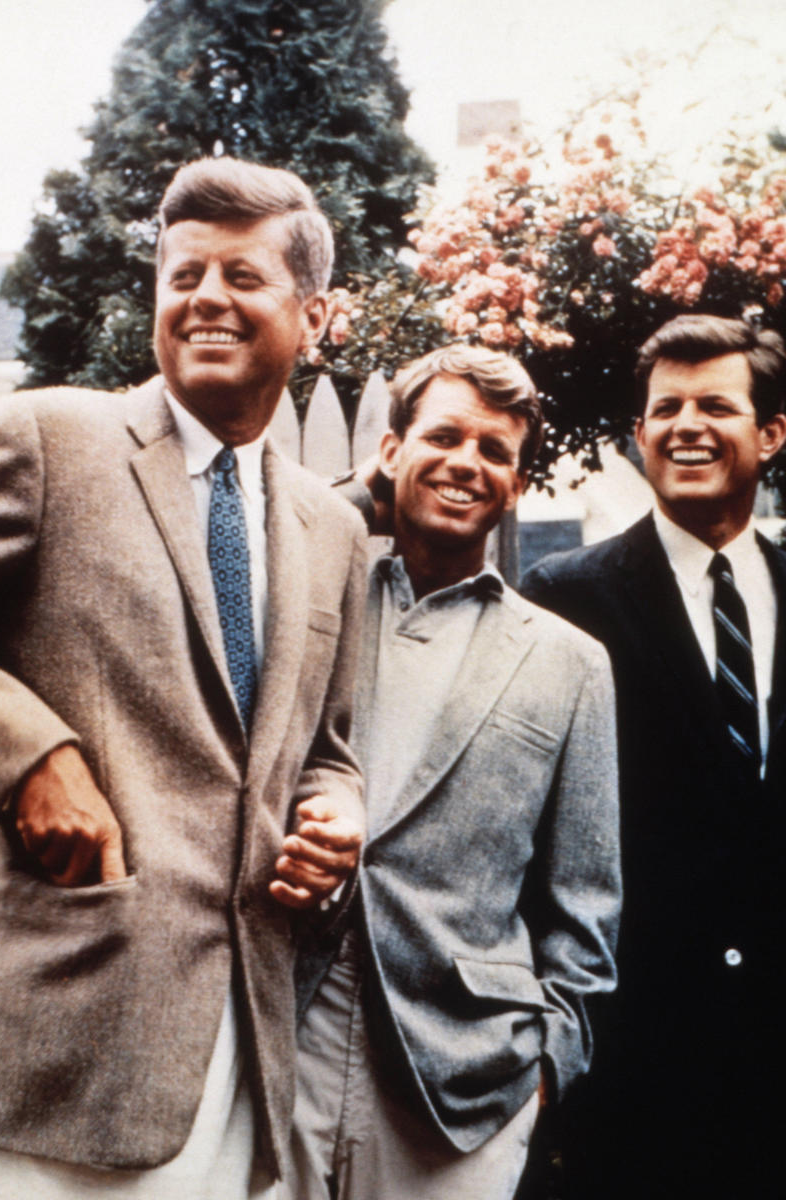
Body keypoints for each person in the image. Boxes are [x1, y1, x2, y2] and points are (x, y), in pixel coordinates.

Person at [0, 156, 368, 1199]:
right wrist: (30, 758)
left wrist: (337, 818)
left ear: (313, 313)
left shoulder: (332, 528)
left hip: (246, 1049)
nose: (204, 298)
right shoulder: (50, 438)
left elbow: (327, 747)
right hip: (57, 1044)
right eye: (183, 274)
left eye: (241, 277)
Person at [284, 344, 621, 1200]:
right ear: (390, 453)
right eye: (443, 437)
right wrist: (363, 492)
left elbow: (586, 902)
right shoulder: (309, 599)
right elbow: (279, 527)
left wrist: (548, 1067)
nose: (466, 463)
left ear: (514, 485)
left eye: (494, 452)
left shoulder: (569, 662)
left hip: (464, 1081)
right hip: (284, 1034)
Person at [521, 313, 786, 1200]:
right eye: (665, 408)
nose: (686, 427)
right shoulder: (566, 596)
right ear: (639, 435)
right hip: (639, 1055)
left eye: (717, 405)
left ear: (772, 433)